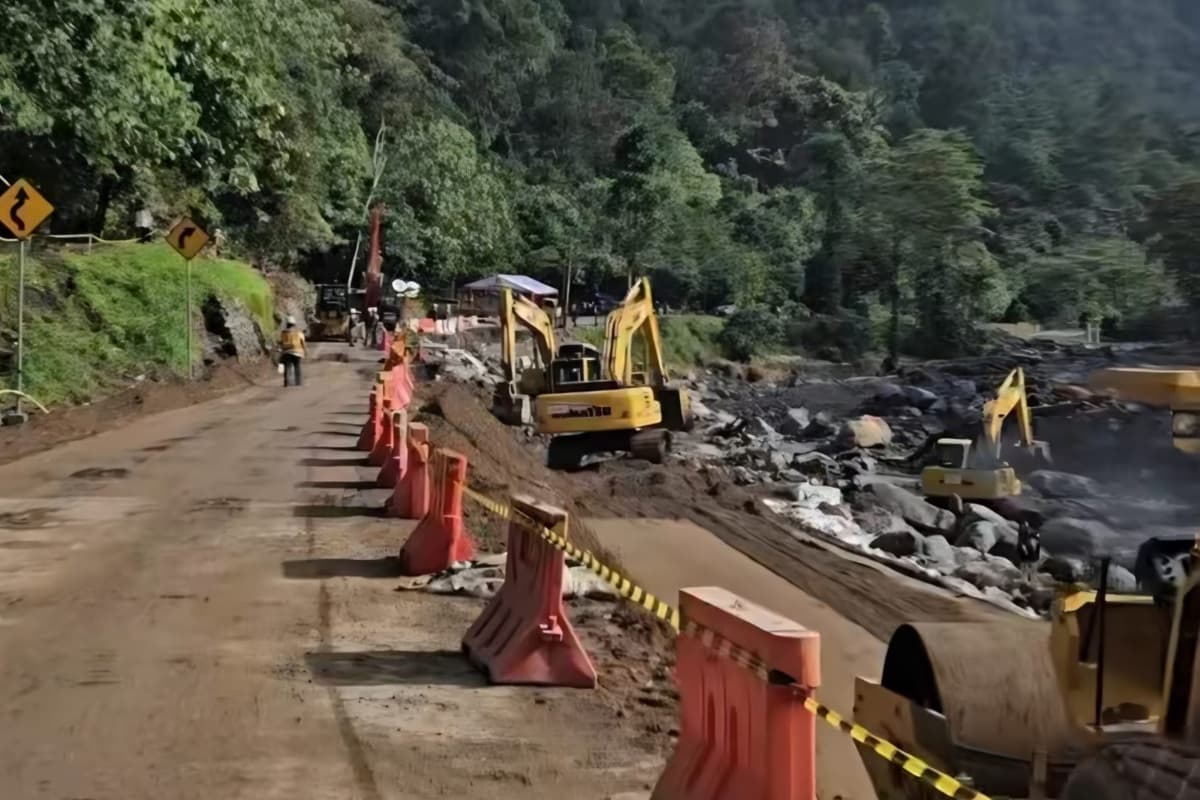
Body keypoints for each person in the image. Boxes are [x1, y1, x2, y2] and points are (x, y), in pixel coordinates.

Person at [278, 316, 307, 387]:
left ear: (287, 324)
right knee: (297, 366)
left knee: (287, 366)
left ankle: (287, 383)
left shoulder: (284, 333)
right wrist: (305, 351)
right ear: (294, 324)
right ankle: (299, 382)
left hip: (287, 352)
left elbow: (281, 342)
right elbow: (303, 342)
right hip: (298, 352)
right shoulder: (298, 332)